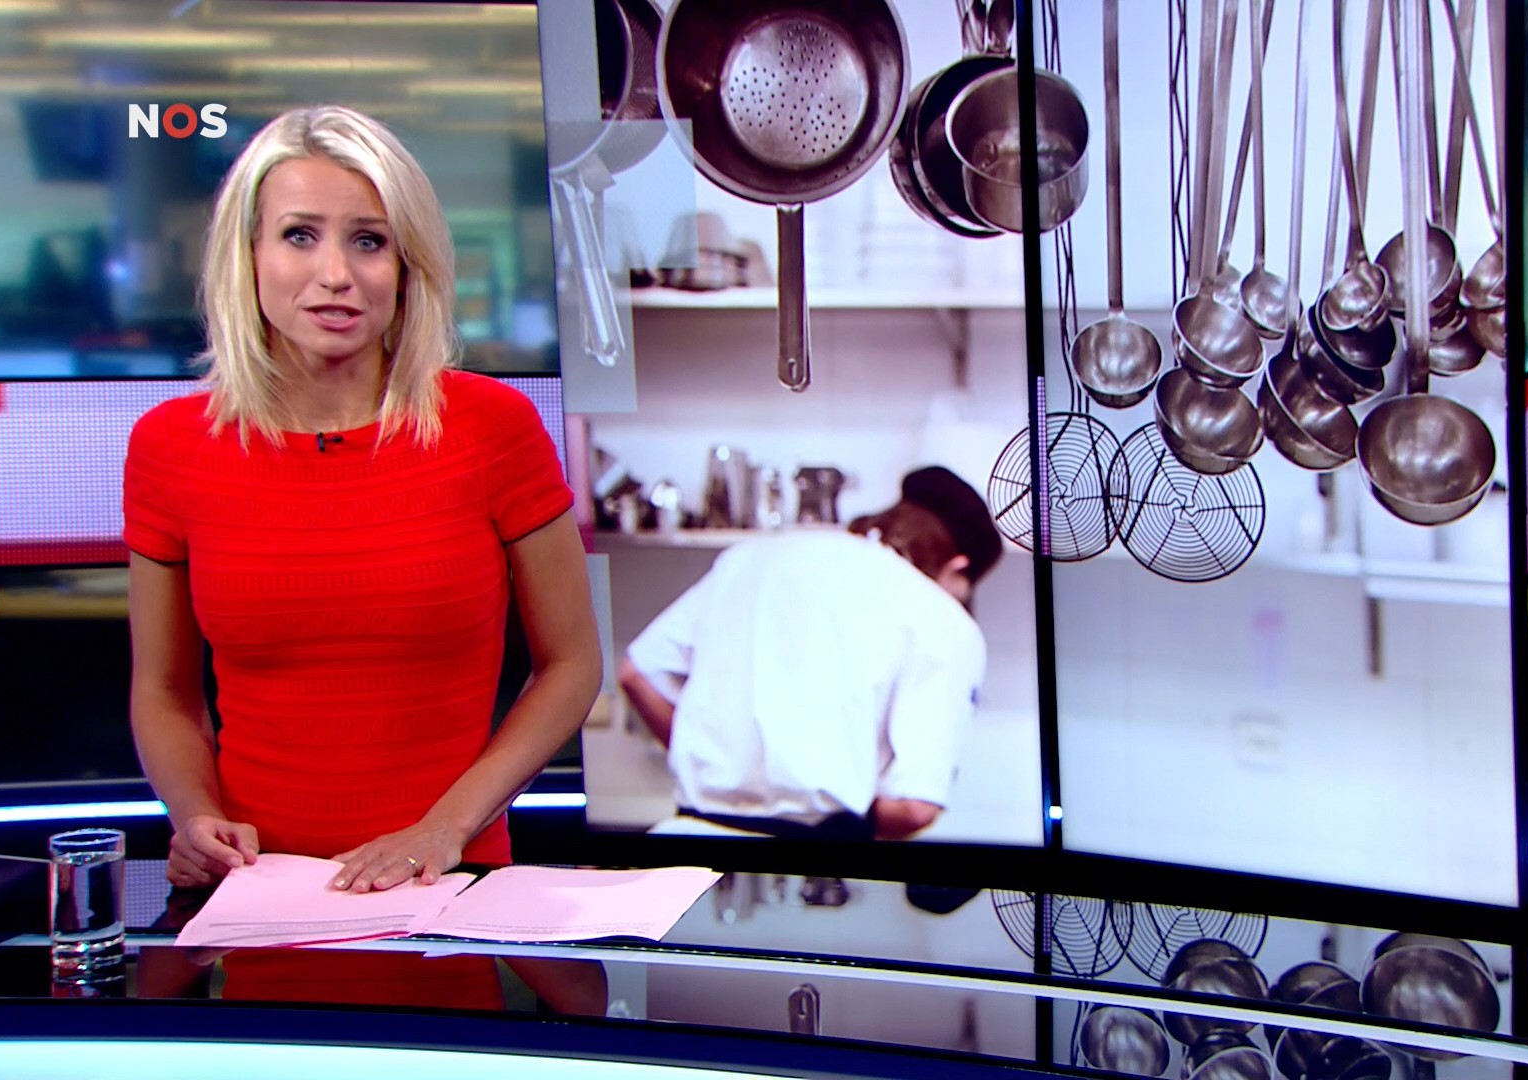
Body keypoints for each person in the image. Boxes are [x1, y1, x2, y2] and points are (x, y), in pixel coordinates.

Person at [123, 105, 602, 901]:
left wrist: (444, 829)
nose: (336, 274)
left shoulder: (494, 428)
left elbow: (571, 665)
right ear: (248, 255)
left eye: (369, 241)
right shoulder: (170, 446)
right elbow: (164, 693)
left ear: (408, 266)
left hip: (450, 886)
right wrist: (195, 814)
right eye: (299, 235)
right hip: (257, 891)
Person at [616, 466, 1003, 841]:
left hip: (686, 843)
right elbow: (915, 807)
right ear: (958, 566)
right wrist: (842, 813)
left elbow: (636, 672)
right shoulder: (944, 619)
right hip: (815, 856)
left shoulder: (749, 559)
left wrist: (710, 763)